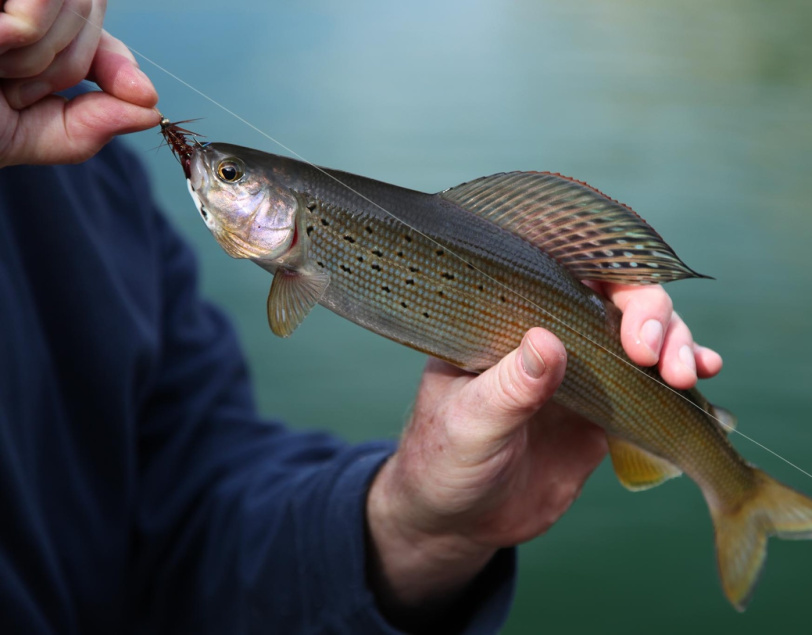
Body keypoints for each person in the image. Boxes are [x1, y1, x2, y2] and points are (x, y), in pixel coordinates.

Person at [0, 2, 723, 633]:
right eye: (227, 176)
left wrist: (415, 528)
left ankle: (727, 475)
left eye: (229, 177)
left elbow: (187, 509)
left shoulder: (88, 178)